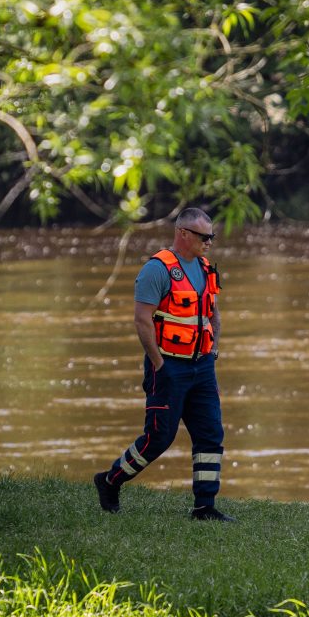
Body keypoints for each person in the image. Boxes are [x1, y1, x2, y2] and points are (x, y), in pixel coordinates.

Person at [94, 208, 233, 522]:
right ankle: (109, 480)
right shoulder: (157, 270)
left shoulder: (206, 268)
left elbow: (214, 315)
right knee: (159, 437)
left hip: (202, 368)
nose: (209, 242)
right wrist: (159, 365)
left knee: (211, 434)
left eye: (212, 236)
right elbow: (142, 322)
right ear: (183, 234)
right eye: (204, 237)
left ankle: (205, 507)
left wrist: (213, 353)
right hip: (168, 367)